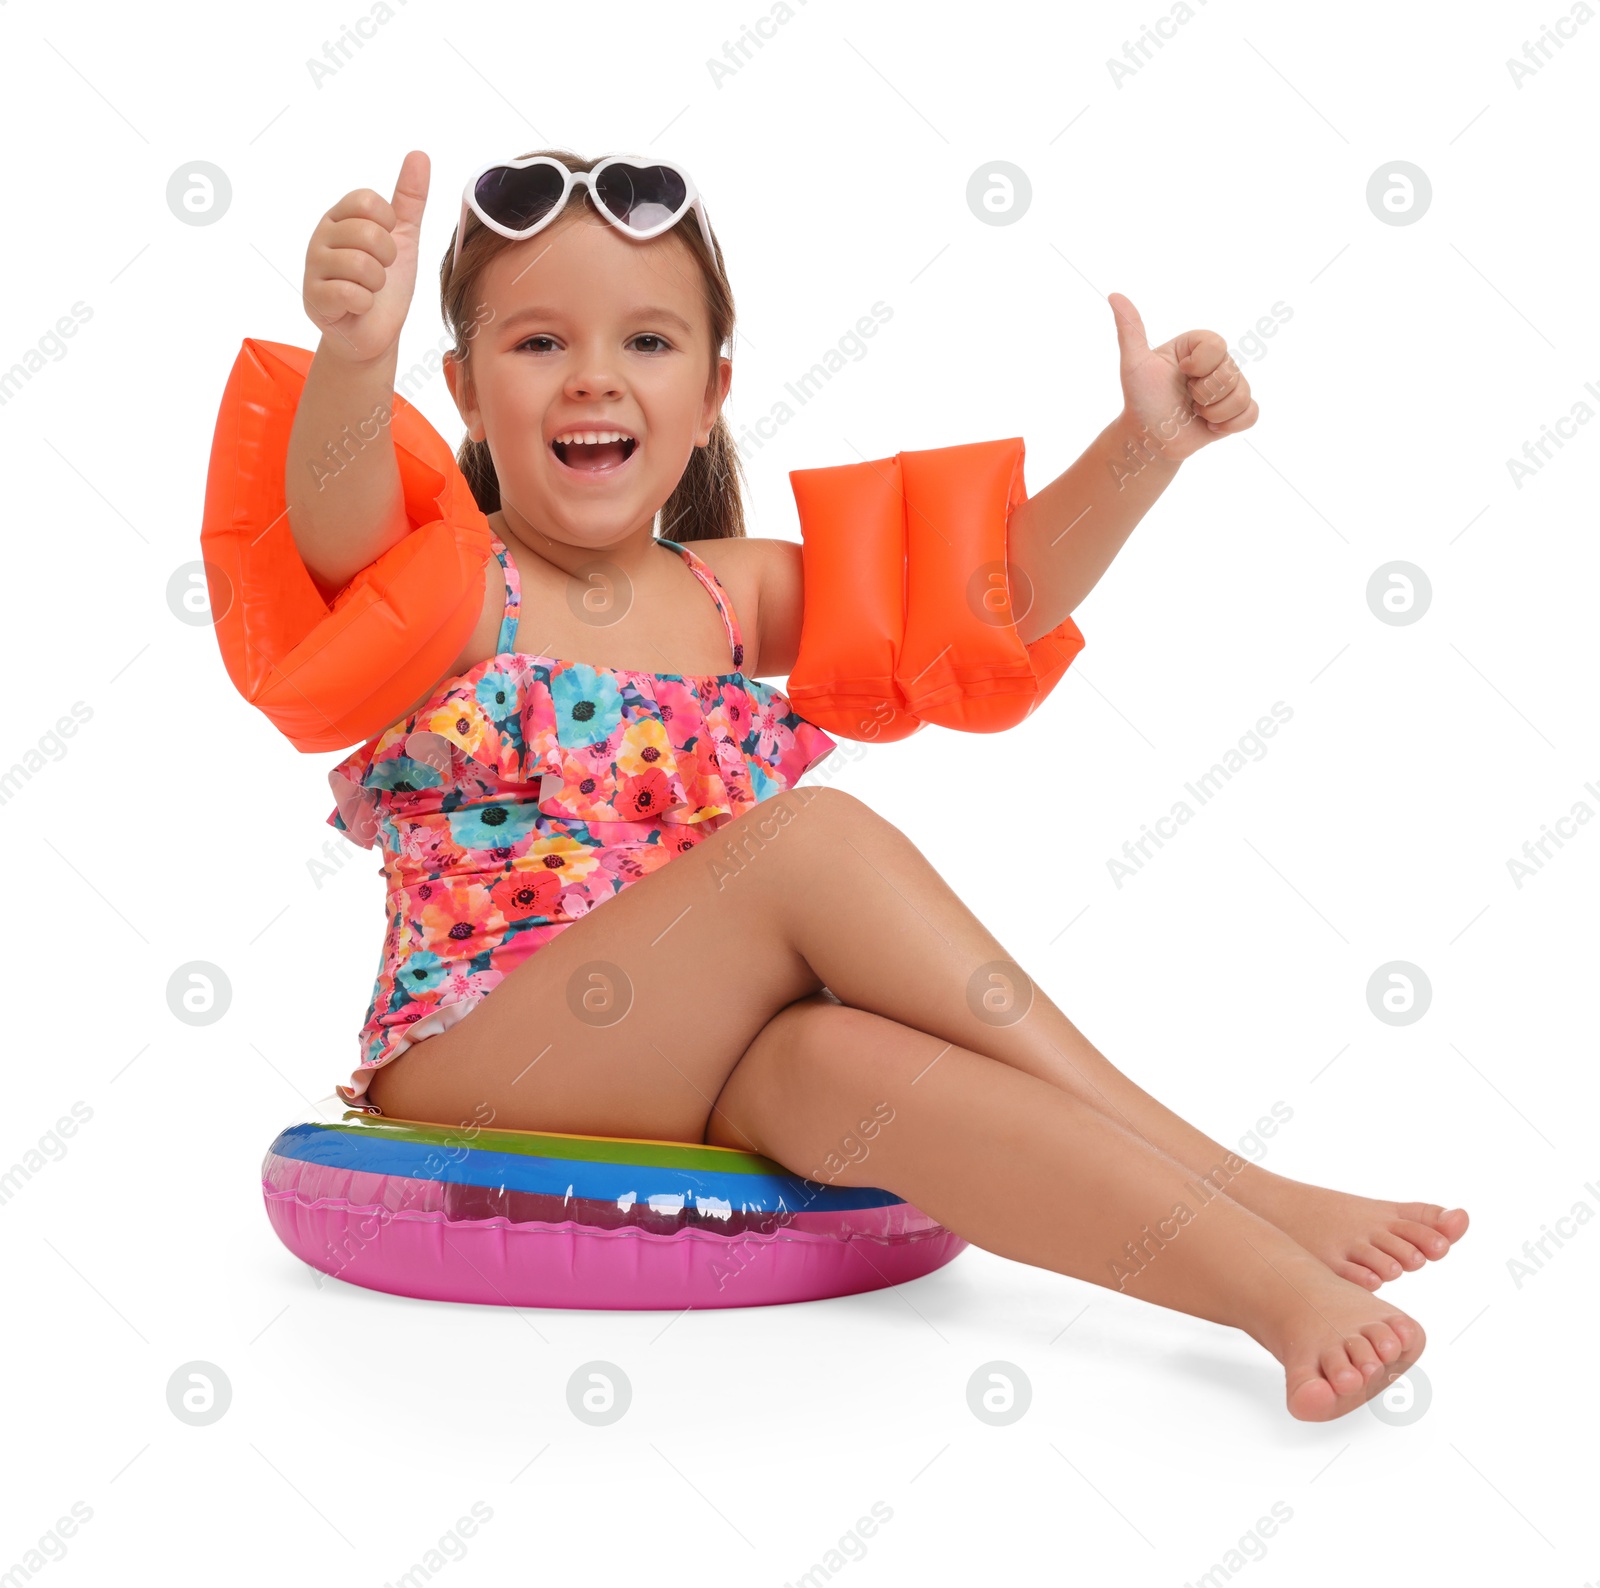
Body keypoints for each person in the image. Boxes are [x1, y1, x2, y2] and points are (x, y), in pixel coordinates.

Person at [288, 148, 1467, 1421]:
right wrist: (357, 350)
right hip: (487, 1045)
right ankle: (1239, 1179)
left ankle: (1272, 1298)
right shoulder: (454, 589)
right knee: (810, 841)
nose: (594, 376)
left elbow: (986, 600)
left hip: (687, 1053)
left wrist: (1145, 447)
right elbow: (338, 526)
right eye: (535, 343)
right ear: (461, 389)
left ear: (711, 392)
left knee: (837, 1065)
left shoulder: (728, 593)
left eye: (646, 340)